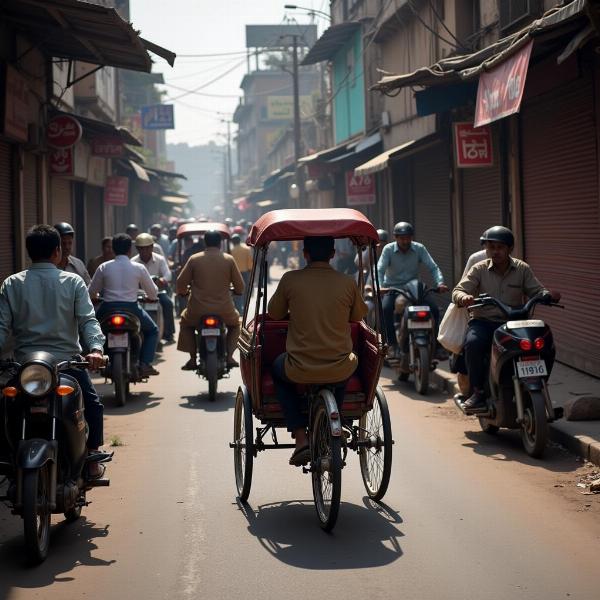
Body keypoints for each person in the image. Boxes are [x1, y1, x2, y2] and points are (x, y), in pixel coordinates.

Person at [0, 225, 106, 477]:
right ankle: (92, 456)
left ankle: (7, 458)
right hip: (67, 365)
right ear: (57, 251)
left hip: (25, 369)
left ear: (28, 252)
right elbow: (87, 321)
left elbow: (2, 328)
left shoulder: (12, 283)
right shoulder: (72, 281)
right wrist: (95, 349)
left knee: (7, 407)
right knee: (92, 405)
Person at [268, 236, 368, 466]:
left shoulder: (291, 279)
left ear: (305, 254)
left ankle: (301, 437)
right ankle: (338, 422)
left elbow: (274, 314)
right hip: (339, 366)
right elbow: (357, 317)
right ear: (332, 254)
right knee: (348, 366)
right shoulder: (347, 282)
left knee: (276, 370)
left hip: (298, 367)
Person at [452, 226, 559, 411]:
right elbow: (458, 290)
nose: (495, 251)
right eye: (491, 247)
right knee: (473, 344)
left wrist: (547, 294)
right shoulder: (479, 269)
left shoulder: (522, 269)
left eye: (499, 247)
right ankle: (477, 392)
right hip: (484, 323)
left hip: (515, 325)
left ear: (510, 249)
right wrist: (464, 297)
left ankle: (540, 383)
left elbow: (536, 289)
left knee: (546, 341)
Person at [89, 234, 160, 378]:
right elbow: (153, 293)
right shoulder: (138, 267)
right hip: (132, 309)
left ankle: (92, 359)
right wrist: (150, 298)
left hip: (107, 309)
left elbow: (91, 292)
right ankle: (145, 364)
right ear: (130, 250)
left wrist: (95, 298)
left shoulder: (104, 267)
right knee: (152, 331)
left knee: (90, 330)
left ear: (114, 250)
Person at [176, 230, 244, 371]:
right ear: (220, 243)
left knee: (185, 322)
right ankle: (230, 356)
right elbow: (240, 287)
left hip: (197, 310)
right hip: (224, 309)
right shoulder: (228, 259)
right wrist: (237, 292)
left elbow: (181, 283)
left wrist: (183, 293)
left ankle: (193, 358)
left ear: (205, 243)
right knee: (236, 324)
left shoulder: (194, 259)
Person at [377, 221, 448, 354]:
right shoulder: (388, 250)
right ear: (395, 238)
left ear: (412, 237)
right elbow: (380, 270)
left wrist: (440, 283)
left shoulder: (419, 248)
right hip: (393, 288)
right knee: (385, 309)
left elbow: (433, 267)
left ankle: (437, 344)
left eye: (408, 237)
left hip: (415, 288)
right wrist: (381, 286)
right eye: (402, 238)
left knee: (434, 309)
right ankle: (392, 344)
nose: (405, 241)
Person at [131, 233, 176, 344]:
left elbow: (168, 274)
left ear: (152, 247)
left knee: (168, 303)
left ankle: (168, 333)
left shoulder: (160, 259)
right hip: (139, 294)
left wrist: (163, 280)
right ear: (137, 249)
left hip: (158, 293)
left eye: (147, 248)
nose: (145, 251)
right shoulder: (133, 261)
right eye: (142, 248)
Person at [229, 233, 253, 313]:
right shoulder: (246, 249)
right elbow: (250, 261)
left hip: (234, 274)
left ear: (232, 242)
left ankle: (238, 308)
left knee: (237, 291)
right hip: (245, 272)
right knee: (245, 290)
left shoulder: (231, 251)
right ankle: (245, 306)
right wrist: (250, 270)